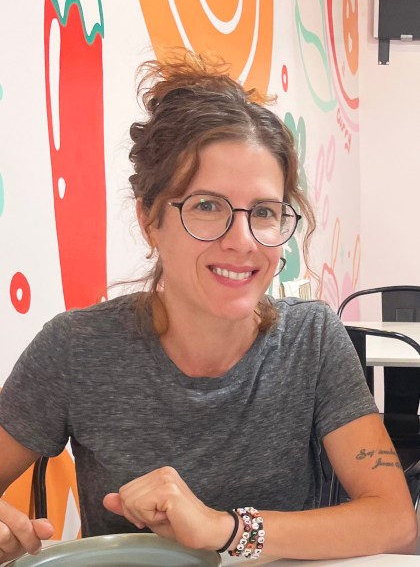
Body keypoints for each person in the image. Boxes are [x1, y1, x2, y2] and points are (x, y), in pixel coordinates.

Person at [0, 48, 417, 563]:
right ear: (150, 220)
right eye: (206, 206)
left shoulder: (311, 340)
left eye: (263, 212)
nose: (242, 241)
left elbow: (395, 521)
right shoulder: (76, 348)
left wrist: (224, 529)